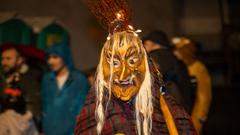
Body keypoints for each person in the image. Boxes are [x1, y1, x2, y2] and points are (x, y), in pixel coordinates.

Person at [75, 0, 197, 134]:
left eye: (132, 61)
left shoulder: (171, 112)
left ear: (146, 66)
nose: (123, 75)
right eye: (114, 63)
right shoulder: (93, 114)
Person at [41, 43, 89, 135]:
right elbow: (45, 107)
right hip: (50, 130)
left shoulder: (79, 79)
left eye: (55, 57)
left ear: (64, 56)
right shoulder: (47, 79)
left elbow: (81, 110)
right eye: (48, 58)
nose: (50, 61)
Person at [143, 30, 195, 113]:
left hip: (156, 109)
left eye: (146, 44)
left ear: (153, 44)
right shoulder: (177, 60)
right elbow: (186, 87)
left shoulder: (149, 60)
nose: (144, 47)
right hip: (178, 109)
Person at [172, 37, 212, 134]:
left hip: (195, 114)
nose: (175, 53)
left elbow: (204, 94)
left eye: (178, 50)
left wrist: (201, 116)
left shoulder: (198, 68)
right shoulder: (182, 67)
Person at [0, 44, 43, 131]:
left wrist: (26, 118)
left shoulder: (29, 77)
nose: (4, 62)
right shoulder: (3, 77)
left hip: (22, 122)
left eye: (8, 59)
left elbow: (34, 101)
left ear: (19, 60)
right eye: (3, 59)